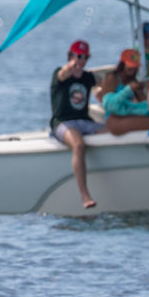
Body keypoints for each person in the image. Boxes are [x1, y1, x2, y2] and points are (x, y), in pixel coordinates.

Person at [51, 40, 104, 209]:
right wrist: (71, 65)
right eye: (78, 56)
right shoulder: (60, 74)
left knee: (116, 130)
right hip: (63, 123)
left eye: (84, 57)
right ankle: (84, 195)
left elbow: (104, 81)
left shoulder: (88, 77)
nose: (81, 61)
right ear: (70, 56)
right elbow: (63, 74)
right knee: (79, 145)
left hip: (85, 121)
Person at [98, 48, 149, 135]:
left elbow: (144, 103)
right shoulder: (112, 78)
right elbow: (109, 105)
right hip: (114, 117)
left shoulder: (133, 81)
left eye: (135, 66)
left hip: (129, 113)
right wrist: (129, 89)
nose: (132, 69)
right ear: (122, 64)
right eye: (130, 66)